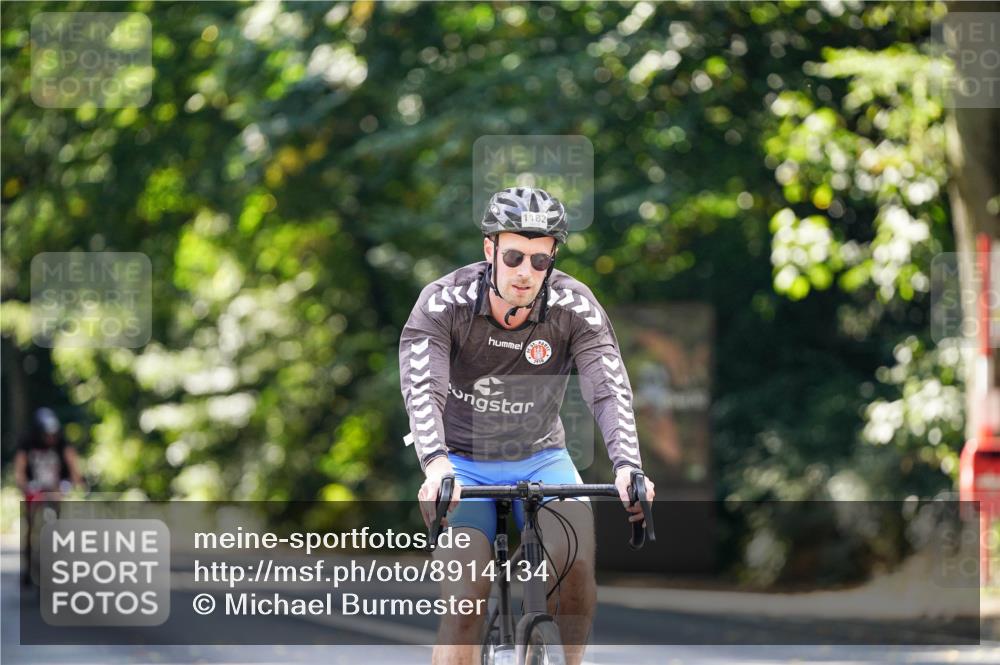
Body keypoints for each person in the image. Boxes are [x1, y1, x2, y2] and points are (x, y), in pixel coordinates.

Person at [399, 186, 656, 665]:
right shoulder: (442, 304)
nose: (526, 272)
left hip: (543, 458)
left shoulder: (573, 305)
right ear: (490, 248)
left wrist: (627, 465)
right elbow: (422, 390)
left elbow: (607, 385)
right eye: (515, 256)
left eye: (540, 261)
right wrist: (434, 465)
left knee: (576, 571)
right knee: (465, 601)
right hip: (460, 465)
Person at [14, 407, 85, 586]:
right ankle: (28, 565)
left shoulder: (61, 443)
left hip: (55, 488)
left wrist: (76, 482)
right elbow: (20, 470)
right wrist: (24, 485)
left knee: (58, 523)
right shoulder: (27, 442)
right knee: (30, 525)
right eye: (47, 434)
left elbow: (73, 464)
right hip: (34, 488)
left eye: (53, 434)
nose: (51, 438)